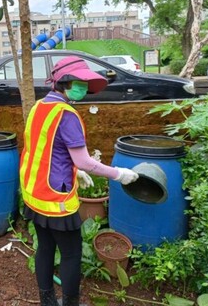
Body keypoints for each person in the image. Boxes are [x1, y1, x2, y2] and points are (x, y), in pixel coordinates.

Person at [19, 56, 139, 306]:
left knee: (45, 248)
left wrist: (76, 171)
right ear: (63, 82)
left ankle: (48, 302)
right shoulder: (67, 115)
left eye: (85, 83)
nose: (83, 88)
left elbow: (46, 150)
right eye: (79, 82)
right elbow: (84, 160)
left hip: (34, 193)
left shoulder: (39, 106)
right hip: (56, 200)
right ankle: (71, 303)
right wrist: (119, 174)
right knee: (71, 253)